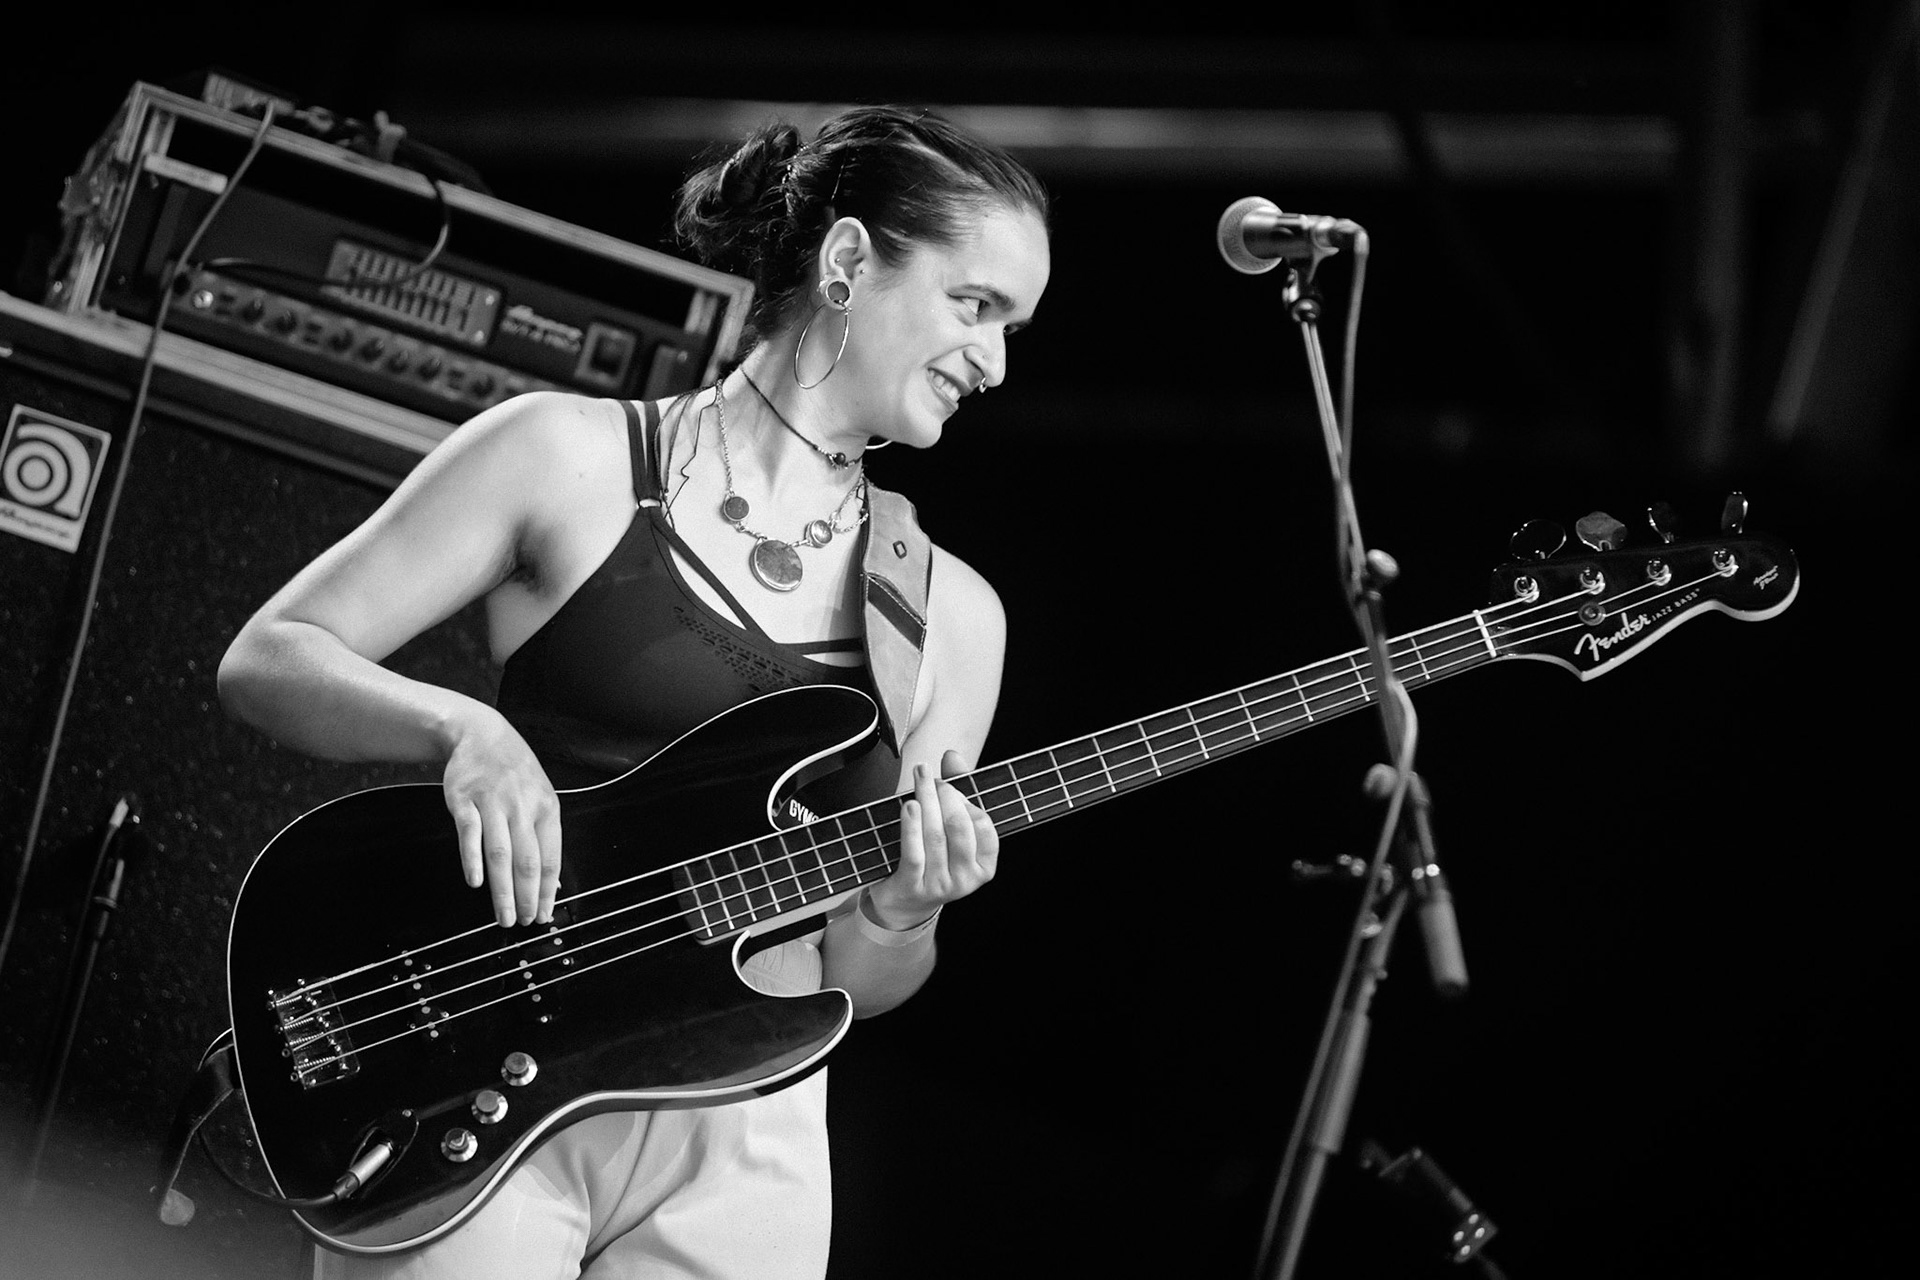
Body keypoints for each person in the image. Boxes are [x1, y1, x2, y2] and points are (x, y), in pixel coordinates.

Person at [215, 104, 1051, 1279]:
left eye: (1016, 327)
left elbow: (859, 983)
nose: (997, 361)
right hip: (490, 1060)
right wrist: (464, 725)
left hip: (749, 1133)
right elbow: (270, 657)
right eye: (977, 306)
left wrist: (904, 912)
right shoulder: (567, 454)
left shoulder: (956, 614)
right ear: (850, 261)